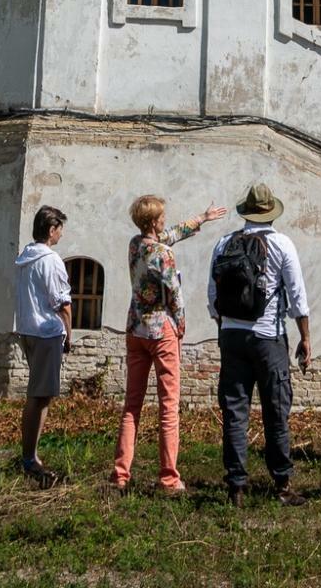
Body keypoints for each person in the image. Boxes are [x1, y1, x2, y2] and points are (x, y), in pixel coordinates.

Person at [112, 194, 227, 496]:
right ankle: (168, 477)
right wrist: (182, 324)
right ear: (152, 221)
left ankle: (121, 473)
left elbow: (171, 234)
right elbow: (174, 294)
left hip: (135, 327)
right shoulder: (163, 254)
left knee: (131, 405)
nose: (165, 219)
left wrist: (201, 217)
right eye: (161, 216)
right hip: (161, 330)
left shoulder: (136, 245)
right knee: (168, 406)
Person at [208, 180, 311, 507]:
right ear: (271, 212)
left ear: (246, 212)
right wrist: (306, 337)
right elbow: (297, 296)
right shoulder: (282, 244)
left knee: (235, 411)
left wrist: (225, 325)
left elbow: (213, 296)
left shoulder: (224, 243)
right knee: (276, 411)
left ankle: (236, 486)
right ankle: (281, 484)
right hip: (269, 337)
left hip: (232, 336)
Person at [13, 205, 72, 486]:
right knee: (39, 395)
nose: (61, 234)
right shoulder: (50, 260)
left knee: (41, 394)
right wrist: (69, 335)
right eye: (60, 228)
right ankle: (29, 456)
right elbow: (62, 302)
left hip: (27, 328)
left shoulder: (26, 257)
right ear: (51, 230)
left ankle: (30, 453)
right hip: (47, 331)